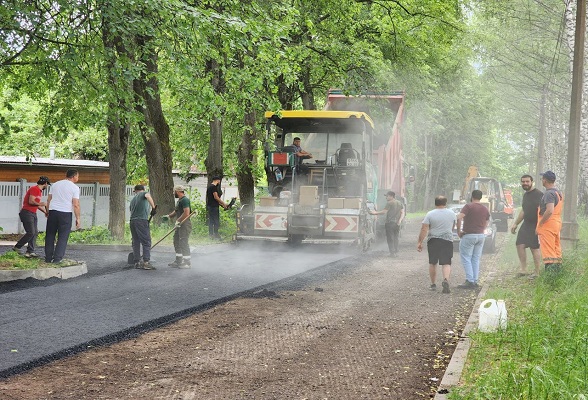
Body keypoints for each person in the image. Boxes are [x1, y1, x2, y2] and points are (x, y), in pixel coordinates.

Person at [417, 195, 456, 293]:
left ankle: (433, 284)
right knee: (446, 262)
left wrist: (420, 242)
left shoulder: (430, 214)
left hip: (433, 240)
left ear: (435, 203)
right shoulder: (451, 213)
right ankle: (446, 279)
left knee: (433, 262)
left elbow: (424, 228)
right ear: (445, 203)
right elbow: (453, 226)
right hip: (447, 240)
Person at [45, 169, 81, 264]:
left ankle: (48, 258)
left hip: (53, 211)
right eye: (77, 176)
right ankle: (57, 259)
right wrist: (78, 218)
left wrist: (47, 211)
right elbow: (76, 204)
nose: (78, 178)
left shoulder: (55, 184)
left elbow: (49, 199)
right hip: (65, 213)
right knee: (63, 236)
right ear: (74, 177)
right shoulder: (75, 188)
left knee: (50, 235)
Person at [456, 189, 490, 289]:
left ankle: (469, 280)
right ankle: (475, 280)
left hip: (469, 235)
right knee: (476, 258)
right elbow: (487, 221)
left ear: (472, 196)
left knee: (466, 257)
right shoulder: (484, 208)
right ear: (481, 197)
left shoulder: (468, 206)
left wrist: (459, 231)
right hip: (480, 236)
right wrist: (482, 229)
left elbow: (459, 217)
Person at [510, 174, 543, 277]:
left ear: (531, 182)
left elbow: (544, 210)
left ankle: (537, 272)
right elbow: (523, 211)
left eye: (527, 181)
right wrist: (516, 223)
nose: (525, 183)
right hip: (526, 224)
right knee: (519, 244)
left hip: (536, 224)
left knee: (534, 247)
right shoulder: (526, 195)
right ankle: (523, 270)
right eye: (523, 182)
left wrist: (540, 225)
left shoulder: (539, 194)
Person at [13, 176, 51, 258]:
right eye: (47, 185)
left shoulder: (39, 191)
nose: (47, 186)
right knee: (31, 232)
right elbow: (31, 201)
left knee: (35, 232)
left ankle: (30, 252)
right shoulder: (35, 189)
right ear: (45, 183)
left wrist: (45, 211)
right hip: (27, 213)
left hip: (32, 213)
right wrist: (42, 204)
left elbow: (35, 204)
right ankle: (17, 247)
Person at [536, 170, 563, 272]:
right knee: (556, 248)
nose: (541, 180)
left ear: (545, 180)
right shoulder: (558, 193)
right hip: (556, 223)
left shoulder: (549, 194)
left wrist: (541, 223)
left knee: (548, 250)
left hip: (548, 225)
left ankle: (550, 277)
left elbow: (549, 210)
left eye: (542, 178)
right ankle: (558, 272)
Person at [130, 184, 157, 270]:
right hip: (141, 220)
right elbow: (148, 196)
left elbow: (131, 210)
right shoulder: (143, 193)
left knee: (136, 241)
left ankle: (137, 262)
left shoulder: (133, 200)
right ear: (142, 189)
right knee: (146, 241)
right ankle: (146, 262)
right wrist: (153, 208)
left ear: (136, 190)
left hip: (132, 221)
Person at [370, 191, 404, 256]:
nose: (386, 197)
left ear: (392, 196)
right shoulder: (399, 203)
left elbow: (384, 212)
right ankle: (396, 251)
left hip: (390, 223)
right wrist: (400, 220)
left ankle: (392, 253)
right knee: (396, 237)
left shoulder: (389, 203)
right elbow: (402, 212)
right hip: (397, 223)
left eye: (387, 196)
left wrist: (374, 213)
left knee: (390, 238)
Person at [167, 185, 192, 268]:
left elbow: (186, 213)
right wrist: (169, 216)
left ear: (177, 191)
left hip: (184, 224)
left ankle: (187, 263)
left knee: (183, 242)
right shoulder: (179, 201)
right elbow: (176, 210)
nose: (173, 193)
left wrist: (178, 220)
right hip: (180, 225)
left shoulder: (185, 200)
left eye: (174, 191)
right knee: (176, 241)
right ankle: (178, 260)